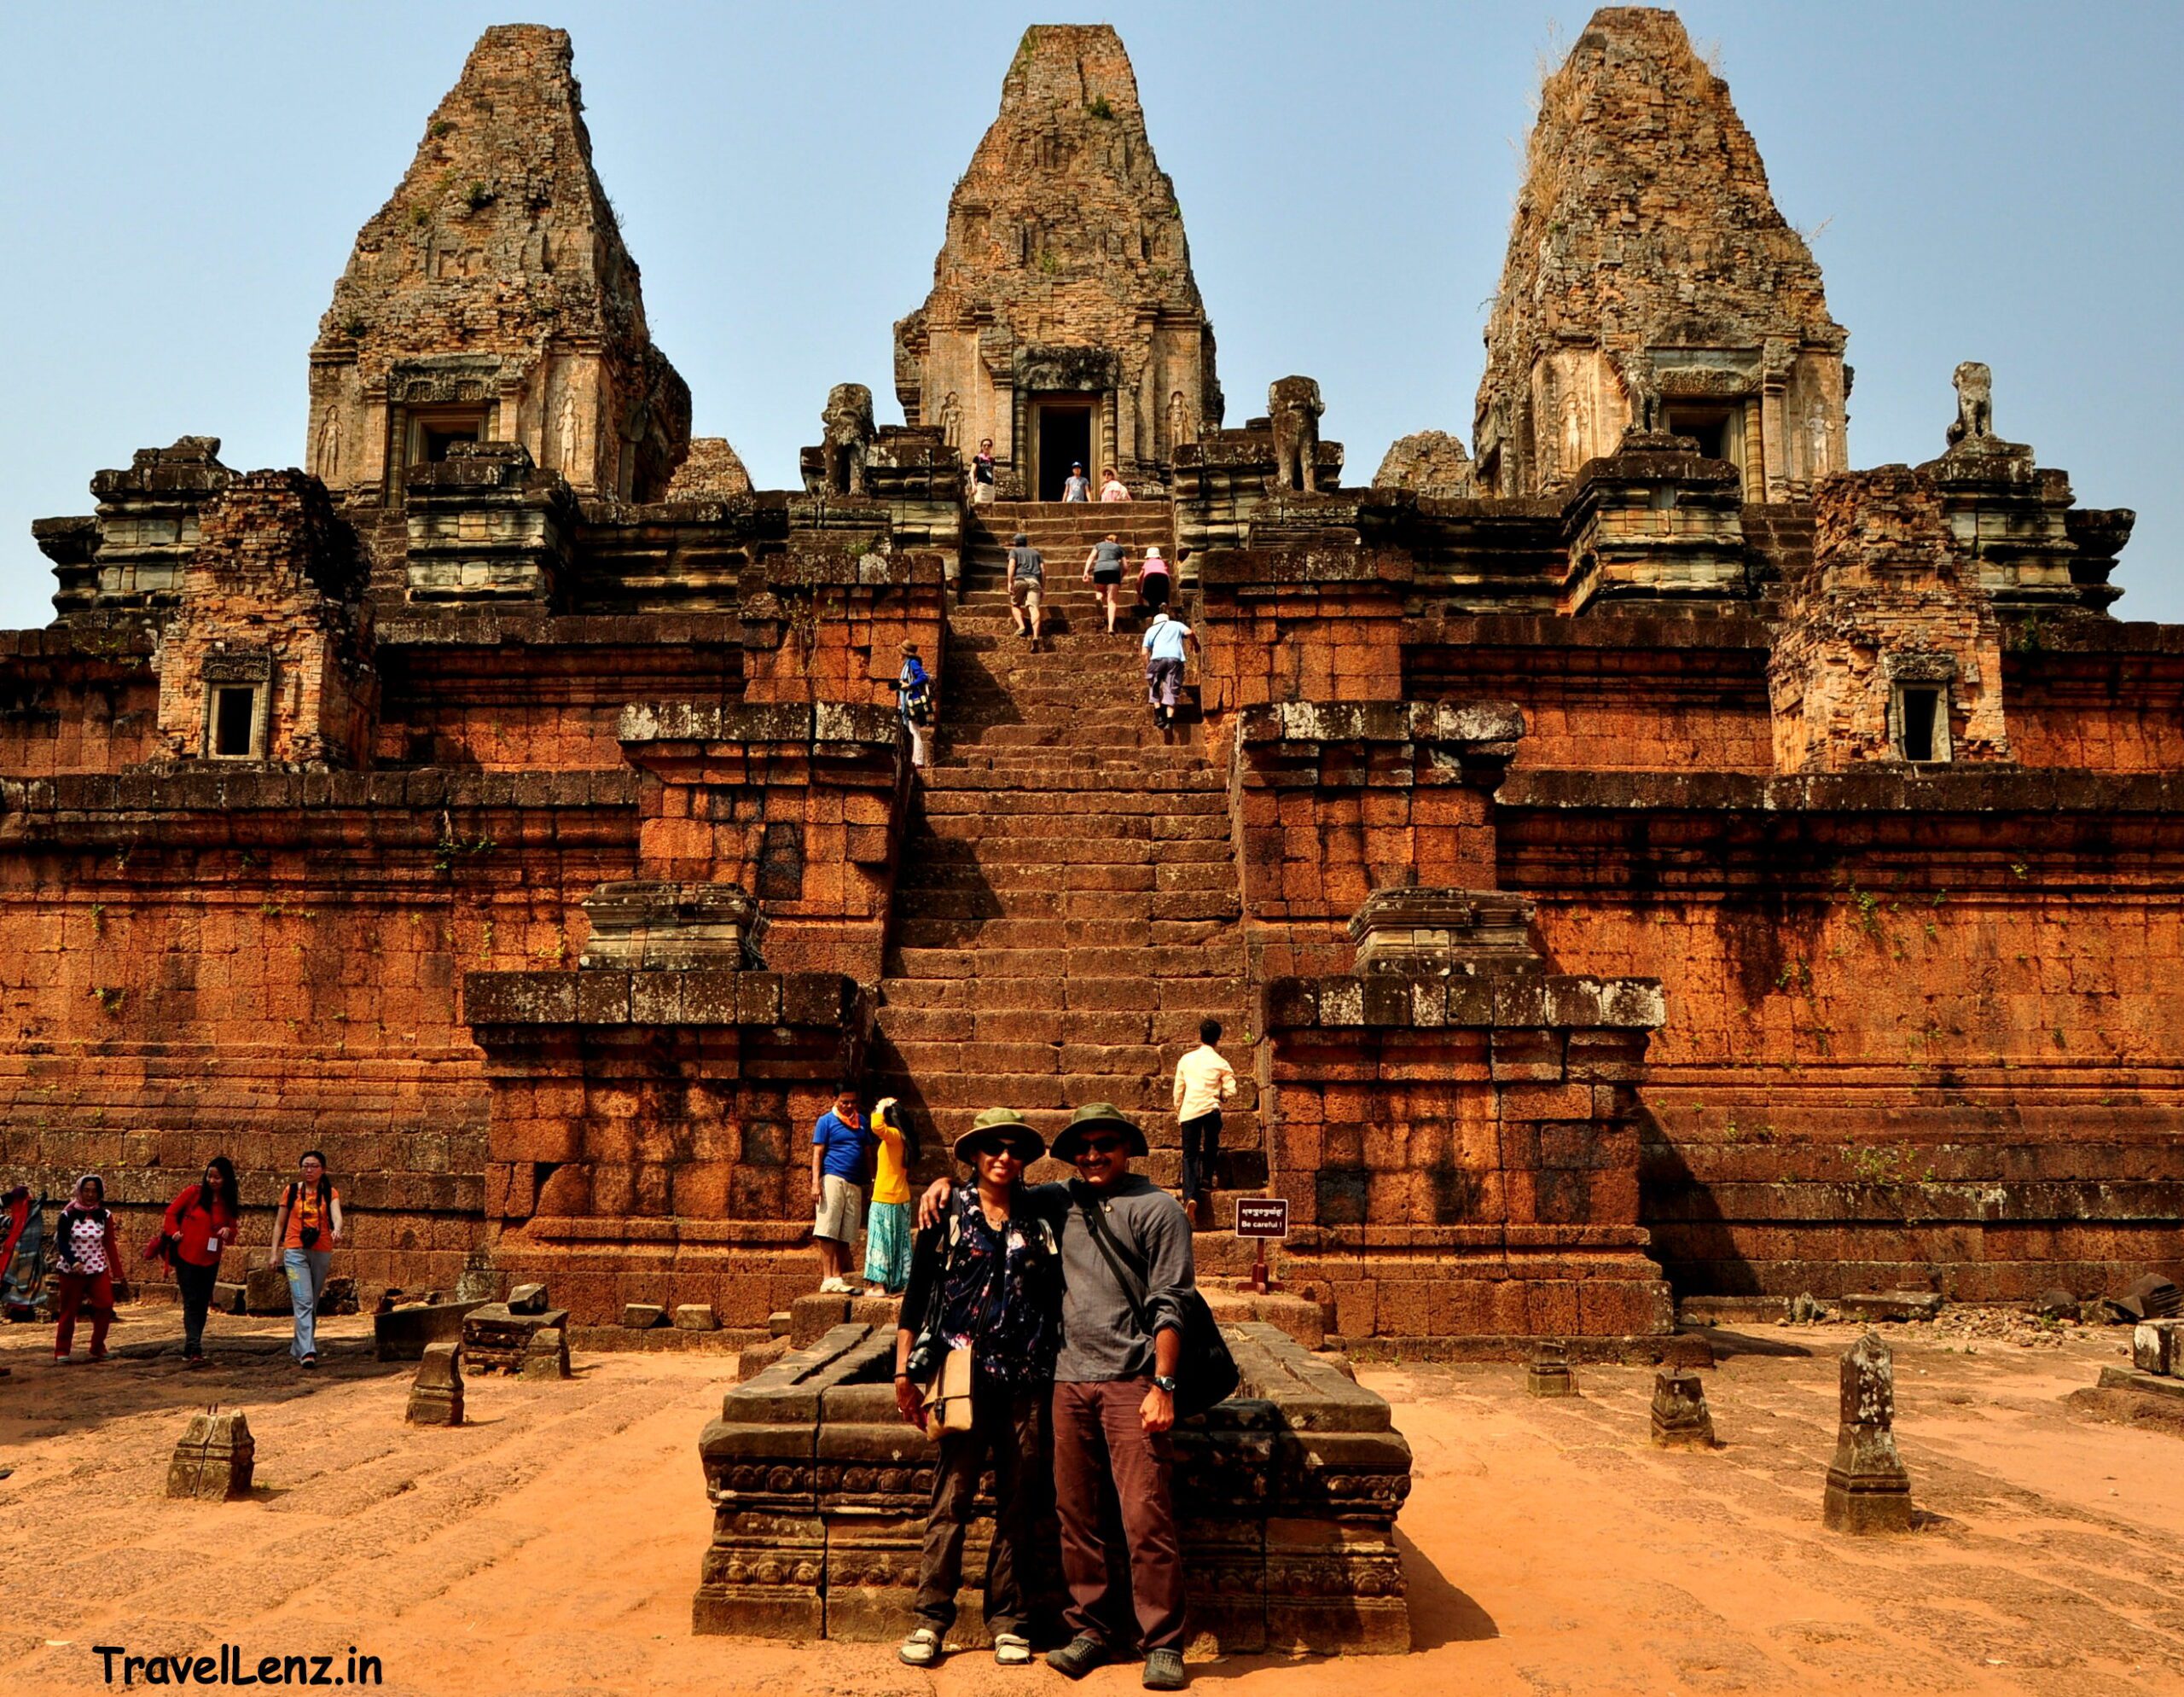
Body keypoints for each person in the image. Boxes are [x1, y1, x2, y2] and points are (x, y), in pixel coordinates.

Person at [916, 1103, 1197, 1690]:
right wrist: (941, 1183)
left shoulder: (1159, 1208)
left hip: (1131, 1379)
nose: (1094, 1154)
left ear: (1128, 1148)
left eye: (1106, 1144)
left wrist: (1164, 1384)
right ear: (1071, 1155)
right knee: (1075, 1514)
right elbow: (992, 1188)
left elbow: (1172, 1300)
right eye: (1084, 1146)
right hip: (1064, 1379)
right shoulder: (1053, 1200)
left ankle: (1163, 1640)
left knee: (1144, 1512)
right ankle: (1089, 1627)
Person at [892, 1108, 1062, 1670]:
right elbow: (917, 1293)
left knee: (1019, 1502)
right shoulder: (946, 1212)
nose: (1004, 1157)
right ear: (973, 1155)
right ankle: (931, 1617)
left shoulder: (1041, 1214)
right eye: (993, 1147)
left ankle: (1008, 1620)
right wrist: (903, 1371)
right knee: (952, 1498)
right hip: (962, 1374)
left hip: (1026, 1377)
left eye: (1014, 1149)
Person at [157, 1156, 240, 1367]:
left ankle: (191, 1343)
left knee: (202, 1302)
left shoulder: (227, 1203)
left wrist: (228, 1231)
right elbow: (171, 1212)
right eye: (209, 1176)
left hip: (210, 1259)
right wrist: (173, 1231)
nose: (212, 1181)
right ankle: (195, 1347)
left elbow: (232, 1234)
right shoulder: (193, 1193)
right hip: (186, 1255)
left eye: (217, 1178)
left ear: (226, 1180)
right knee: (192, 1300)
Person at [267, 1151, 343, 1368]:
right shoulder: (291, 1191)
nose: (309, 1170)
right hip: (294, 1250)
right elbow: (279, 1224)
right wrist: (274, 1253)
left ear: (323, 1170)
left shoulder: (329, 1192)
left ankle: (299, 1346)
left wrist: (337, 1229)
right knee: (303, 1300)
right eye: (305, 1166)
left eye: (314, 1166)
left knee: (312, 1302)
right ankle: (308, 1351)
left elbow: (337, 1216)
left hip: (321, 1250)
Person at [1171, 1020, 1237, 1223]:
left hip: (1190, 1110)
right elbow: (1232, 1090)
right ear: (1219, 1038)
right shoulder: (1221, 1063)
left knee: (1190, 1154)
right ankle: (1207, 1179)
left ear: (1200, 1035)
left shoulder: (1186, 1059)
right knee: (1210, 1145)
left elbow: (1178, 1090)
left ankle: (1190, 1195)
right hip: (1210, 1109)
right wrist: (1220, 1094)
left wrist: (1178, 1111)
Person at [810, 1084, 874, 1293]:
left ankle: (838, 1277)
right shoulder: (826, 1121)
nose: (848, 1106)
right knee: (828, 1229)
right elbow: (818, 1153)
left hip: (854, 1182)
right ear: (835, 1100)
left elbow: (867, 1153)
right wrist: (815, 1182)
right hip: (833, 1178)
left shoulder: (862, 1122)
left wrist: (873, 1178)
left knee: (845, 1232)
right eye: (844, 1102)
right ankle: (827, 1277)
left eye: (853, 1102)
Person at [53, 1173, 120, 1364]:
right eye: (87, 1191)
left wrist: (118, 1271)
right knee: (69, 1310)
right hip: (71, 1271)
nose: (90, 1195)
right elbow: (63, 1243)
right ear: (80, 1191)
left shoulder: (105, 1216)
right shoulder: (68, 1215)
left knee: (105, 1305)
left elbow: (109, 1243)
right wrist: (74, 1261)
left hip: (97, 1268)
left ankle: (97, 1345)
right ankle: (62, 1349)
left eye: (94, 1191)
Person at [864, 1096, 917, 1296]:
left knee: (881, 1241)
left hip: (885, 1197)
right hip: (901, 1196)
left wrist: (880, 1106)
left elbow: (876, 1126)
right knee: (900, 1241)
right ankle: (901, 1281)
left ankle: (880, 1285)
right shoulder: (904, 1138)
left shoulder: (894, 1136)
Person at [1140, 610, 1198, 731]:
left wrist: (1147, 666)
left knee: (1154, 685)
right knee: (1172, 688)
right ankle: (1170, 721)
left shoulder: (1151, 630)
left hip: (1156, 660)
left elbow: (1144, 652)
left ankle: (1159, 714)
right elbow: (1190, 632)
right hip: (1174, 659)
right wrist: (1196, 645)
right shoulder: (1176, 624)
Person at [1007, 531, 1046, 651]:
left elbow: (1012, 565)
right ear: (1026, 542)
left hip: (1020, 579)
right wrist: (1043, 586)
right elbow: (1043, 570)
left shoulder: (1014, 552)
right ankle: (1035, 636)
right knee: (1034, 608)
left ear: (1015, 543)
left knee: (1015, 604)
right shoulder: (1036, 553)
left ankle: (1022, 627)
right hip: (1034, 581)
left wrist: (1009, 582)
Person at [897, 642, 933, 770]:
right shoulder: (907, 665)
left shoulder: (912, 663)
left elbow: (923, 677)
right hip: (908, 701)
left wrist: (910, 685)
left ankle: (918, 761)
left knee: (914, 731)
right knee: (911, 730)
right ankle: (914, 759)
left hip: (913, 701)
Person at [1083, 533, 1128, 635]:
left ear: (1105, 540)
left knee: (1100, 590)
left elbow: (1091, 557)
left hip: (1100, 569)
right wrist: (1120, 577)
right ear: (1116, 541)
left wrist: (1085, 572)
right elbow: (1125, 566)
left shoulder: (1099, 545)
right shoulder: (1119, 548)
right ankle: (1111, 627)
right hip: (1114, 571)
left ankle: (1099, 599)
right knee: (1112, 601)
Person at [1136, 545, 1171, 613]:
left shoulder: (1147, 563)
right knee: (1162, 596)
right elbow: (1168, 578)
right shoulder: (1162, 562)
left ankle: (1154, 610)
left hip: (1150, 577)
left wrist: (1139, 594)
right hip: (1163, 578)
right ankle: (1163, 603)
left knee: (1151, 597)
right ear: (1158, 557)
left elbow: (1139, 578)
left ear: (1148, 557)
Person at [971, 438, 996, 507]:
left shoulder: (992, 460)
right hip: (981, 487)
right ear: (981, 447)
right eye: (984, 445)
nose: (986, 447)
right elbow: (972, 472)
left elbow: (993, 473)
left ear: (991, 447)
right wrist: (973, 485)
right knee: (979, 507)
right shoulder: (977, 458)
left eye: (988, 445)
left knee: (990, 509)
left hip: (990, 488)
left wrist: (994, 487)